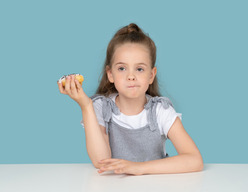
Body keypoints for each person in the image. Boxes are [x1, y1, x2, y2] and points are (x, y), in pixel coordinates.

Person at [57, 23, 203, 176]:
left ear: (151, 75)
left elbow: (194, 160)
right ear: (110, 74)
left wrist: (138, 168)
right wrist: (86, 106)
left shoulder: (160, 111)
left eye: (139, 69)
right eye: (122, 68)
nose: (131, 76)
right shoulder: (101, 107)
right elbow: (101, 160)